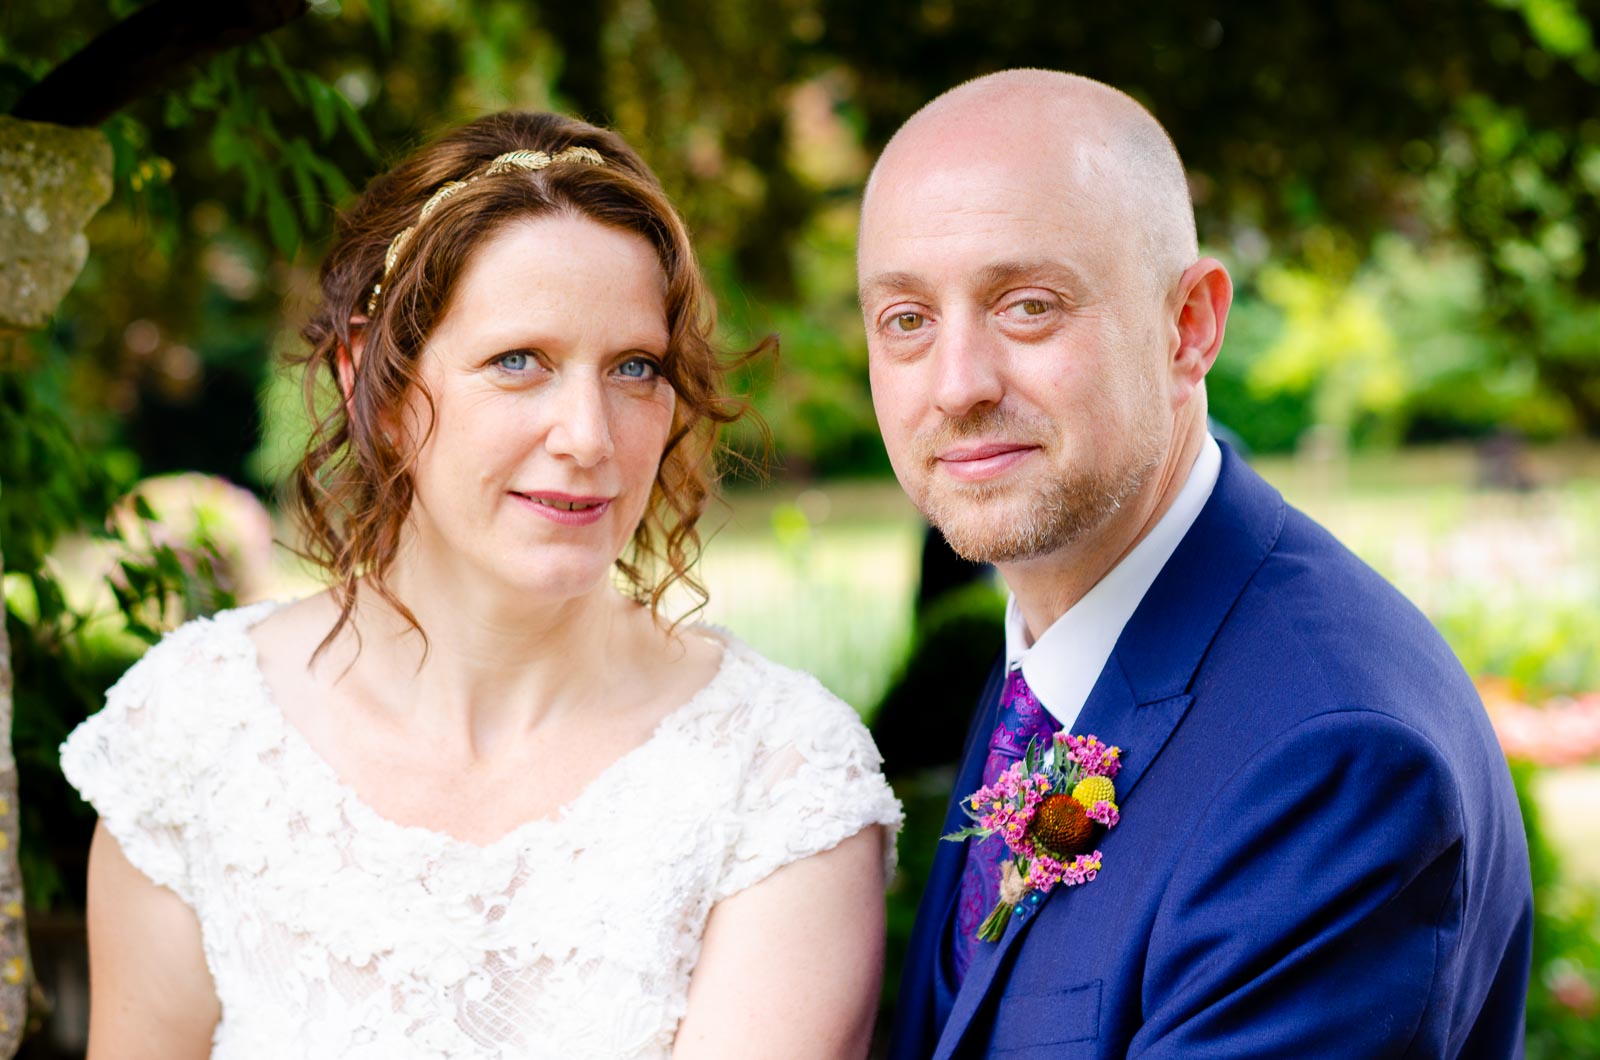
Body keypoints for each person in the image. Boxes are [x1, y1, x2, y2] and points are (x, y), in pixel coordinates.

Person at [61, 111, 902, 1059]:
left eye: (635, 367)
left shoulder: (783, 776)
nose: (589, 437)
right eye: (518, 362)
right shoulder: (192, 732)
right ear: (372, 388)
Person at [861, 70, 1532, 1058]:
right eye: (906, 319)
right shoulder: (1051, 652)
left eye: (1028, 305)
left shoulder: (1332, 762)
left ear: (1190, 327)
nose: (954, 385)